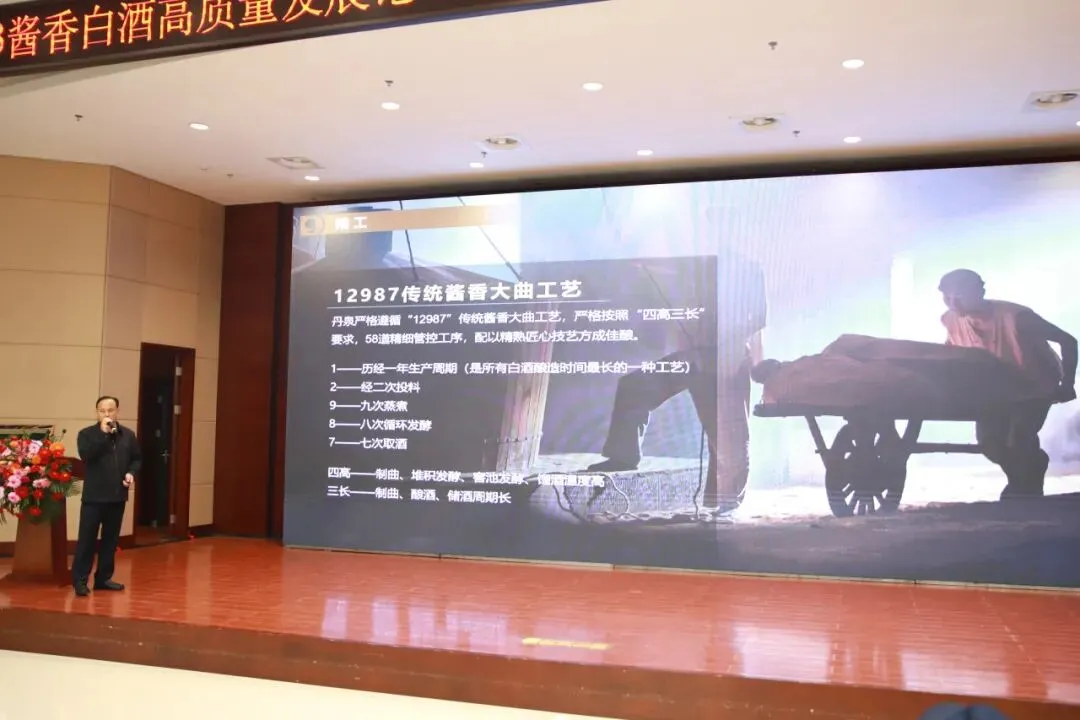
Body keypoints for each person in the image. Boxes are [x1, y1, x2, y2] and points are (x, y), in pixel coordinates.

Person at [587, 246, 767, 513]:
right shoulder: (698, 267)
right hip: (693, 356)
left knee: (728, 434)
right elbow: (668, 269)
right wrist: (641, 262)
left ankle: (726, 500)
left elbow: (759, 318)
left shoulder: (749, 269)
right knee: (635, 387)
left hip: (729, 358)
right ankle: (623, 455)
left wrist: (730, 343)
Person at [938, 269, 1077, 499]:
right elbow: (953, 351)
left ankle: (1023, 488)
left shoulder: (1016, 317)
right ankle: (1026, 473)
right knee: (989, 443)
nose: (953, 303)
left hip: (1033, 385)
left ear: (980, 291)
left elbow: (1068, 341)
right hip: (994, 390)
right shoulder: (950, 319)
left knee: (1020, 438)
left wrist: (1068, 383)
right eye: (947, 297)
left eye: (959, 295)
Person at [72, 395, 141, 597]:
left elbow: (136, 459)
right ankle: (80, 580)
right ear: (97, 412)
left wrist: (131, 473)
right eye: (102, 411)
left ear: (117, 411)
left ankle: (103, 578)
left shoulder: (127, 435)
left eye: (110, 410)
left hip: (117, 496)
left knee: (110, 541)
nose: (106, 414)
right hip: (93, 497)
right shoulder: (86, 434)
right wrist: (103, 435)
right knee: (87, 541)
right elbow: (86, 455)